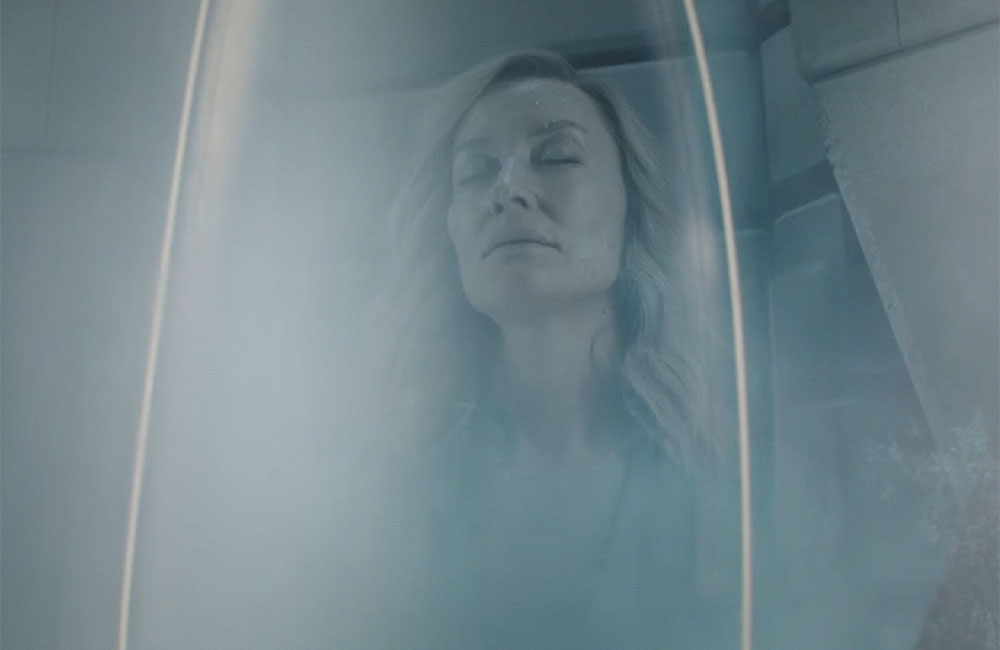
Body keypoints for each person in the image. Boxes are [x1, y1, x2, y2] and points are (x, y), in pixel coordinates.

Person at [361, 49, 738, 649]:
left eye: (558, 156)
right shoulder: (384, 488)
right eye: (476, 171)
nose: (508, 191)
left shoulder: (725, 474)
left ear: (633, 208)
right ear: (448, 228)